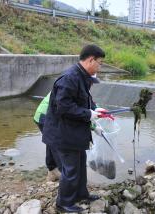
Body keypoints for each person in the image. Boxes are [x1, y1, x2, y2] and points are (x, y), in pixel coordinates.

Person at [42, 44, 106, 213]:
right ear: (91, 60)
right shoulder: (70, 77)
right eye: (99, 63)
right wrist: (88, 114)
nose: (100, 66)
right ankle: (63, 203)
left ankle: (80, 194)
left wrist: (95, 109)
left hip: (74, 132)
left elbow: (84, 99)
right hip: (63, 133)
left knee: (79, 165)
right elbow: (63, 107)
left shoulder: (82, 76)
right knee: (70, 169)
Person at [33, 92, 61, 182]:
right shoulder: (69, 87)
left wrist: (97, 109)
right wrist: (92, 126)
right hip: (44, 117)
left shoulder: (67, 82)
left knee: (51, 143)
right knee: (55, 144)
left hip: (42, 115)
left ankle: (52, 172)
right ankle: (58, 172)